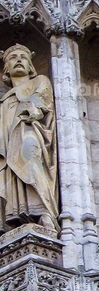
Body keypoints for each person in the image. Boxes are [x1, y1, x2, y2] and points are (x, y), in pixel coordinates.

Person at [0, 44, 58, 231]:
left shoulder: (39, 80)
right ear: (6, 68)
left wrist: (31, 110)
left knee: (29, 157)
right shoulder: (3, 98)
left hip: (29, 128)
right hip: (7, 140)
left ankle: (44, 212)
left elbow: (42, 99)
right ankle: (15, 215)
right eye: (13, 57)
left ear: (30, 65)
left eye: (23, 57)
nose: (18, 60)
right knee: (8, 170)